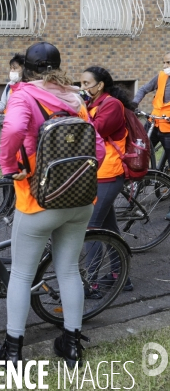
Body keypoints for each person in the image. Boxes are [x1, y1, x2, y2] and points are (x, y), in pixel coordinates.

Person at [0, 42, 106, 369]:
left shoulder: (24, 95)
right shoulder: (75, 97)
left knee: (22, 276)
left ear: (27, 67)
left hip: (38, 199)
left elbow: (12, 128)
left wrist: (8, 166)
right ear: (58, 66)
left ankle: (12, 352)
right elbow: (97, 151)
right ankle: (71, 346)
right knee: (69, 270)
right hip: (80, 200)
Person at [80, 66, 135, 294]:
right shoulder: (94, 103)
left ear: (100, 85)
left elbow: (94, 132)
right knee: (109, 229)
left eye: (86, 83)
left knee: (91, 229)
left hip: (108, 173)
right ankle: (119, 274)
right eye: (81, 83)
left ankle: (89, 283)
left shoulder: (111, 104)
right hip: (98, 173)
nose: (83, 87)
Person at [133, 52, 170, 172]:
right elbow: (143, 89)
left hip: (168, 128)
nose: (165, 66)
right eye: (164, 62)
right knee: (140, 151)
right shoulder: (161, 76)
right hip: (153, 122)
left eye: (168, 63)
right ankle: (144, 178)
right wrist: (134, 103)